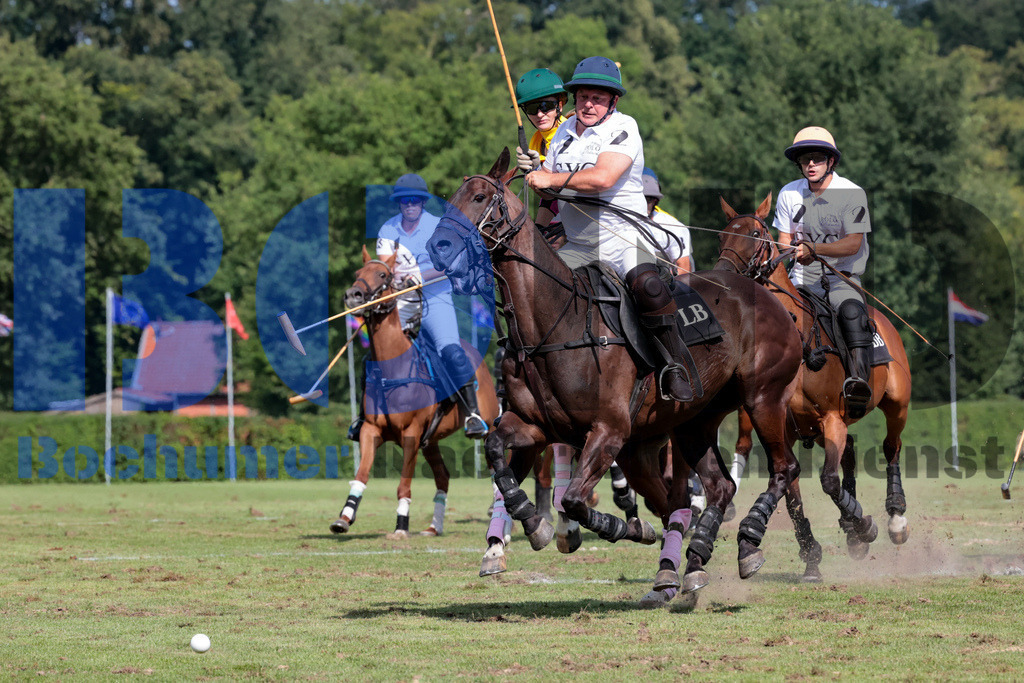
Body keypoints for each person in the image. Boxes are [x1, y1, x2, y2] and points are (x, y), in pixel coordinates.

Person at [518, 56, 692, 403]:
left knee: (650, 285)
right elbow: (549, 193)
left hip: (625, 238)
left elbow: (602, 178)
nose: (588, 104)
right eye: (583, 96)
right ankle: (528, 366)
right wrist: (534, 171)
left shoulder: (624, 128)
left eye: (598, 98)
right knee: (532, 284)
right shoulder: (564, 132)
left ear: (613, 100)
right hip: (578, 242)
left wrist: (548, 177)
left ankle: (674, 365)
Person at [348, 173, 488, 439]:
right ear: (399, 204)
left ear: (422, 202)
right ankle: (362, 417)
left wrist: (418, 277)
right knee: (377, 356)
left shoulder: (438, 227)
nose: (410, 205)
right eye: (404, 201)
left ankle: (472, 414)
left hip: (436, 300)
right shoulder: (388, 230)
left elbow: (448, 266)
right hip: (403, 301)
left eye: (415, 201)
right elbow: (387, 270)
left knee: (451, 351)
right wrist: (401, 280)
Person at [775, 126, 873, 418]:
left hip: (842, 278)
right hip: (801, 280)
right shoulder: (788, 193)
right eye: (805, 160)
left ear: (831, 161)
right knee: (768, 314)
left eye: (818, 158)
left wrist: (815, 250)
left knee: (853, 312)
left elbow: (854, 243)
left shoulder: (852, 193)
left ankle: (858, 383)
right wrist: (795, 253)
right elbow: (783, 242)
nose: (811, 165)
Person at [514, 68, 569, 242]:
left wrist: (539, 171)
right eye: (531, 108)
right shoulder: (536, 141)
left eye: (546, 106)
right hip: (556, 207)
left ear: (559, 105)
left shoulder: (571, 134)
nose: (539, 114)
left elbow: (562, 188)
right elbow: (548, 197)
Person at [642, 168, 694, 275]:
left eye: (648, 200)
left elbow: (683, 268)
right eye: (640, 199)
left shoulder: (675, 228)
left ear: (655, 200)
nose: (643, 204)